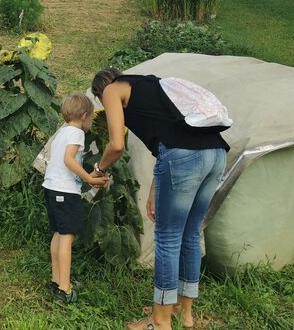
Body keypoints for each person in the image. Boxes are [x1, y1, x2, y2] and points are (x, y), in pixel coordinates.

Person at [91, 68, 229, 330]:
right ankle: (183, 313)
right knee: (190, 234)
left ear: (101, 90)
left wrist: (98, 170)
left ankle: (159, 321)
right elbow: (167, 137)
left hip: (184, 157)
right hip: (216, 153)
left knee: (167, 239)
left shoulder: (111, 89)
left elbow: (116, 144)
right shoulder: (150, 85)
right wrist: (156, 187)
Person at [43, 93, 109, 304]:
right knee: (67, 237)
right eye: (90, 119)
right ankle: (65, 288)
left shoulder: (62, 132)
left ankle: (56, 281)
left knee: (58, 234)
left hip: (51, 189)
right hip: (65, 191)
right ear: (85, 115)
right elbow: (69, 159)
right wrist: (89, 177)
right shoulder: (77, 133)